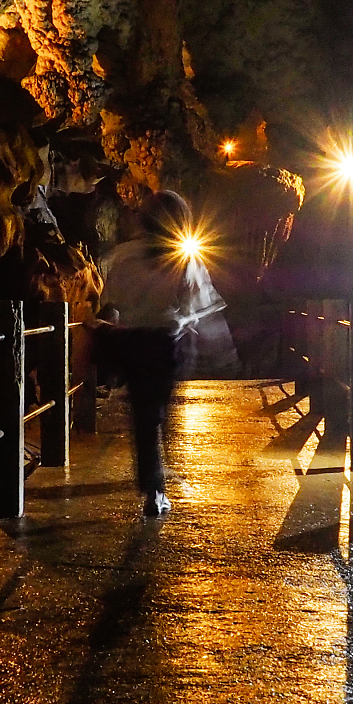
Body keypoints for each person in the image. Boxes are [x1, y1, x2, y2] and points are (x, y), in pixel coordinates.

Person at [97, 189, 225, 516]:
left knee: (143, 416)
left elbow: (111, 302)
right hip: (165, 343)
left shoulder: (123, 256)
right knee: (159, 413)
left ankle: (152, 488)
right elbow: (195, 302)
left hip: (131, 342)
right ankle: (157, 488)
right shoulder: (182, 257)